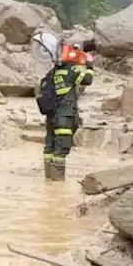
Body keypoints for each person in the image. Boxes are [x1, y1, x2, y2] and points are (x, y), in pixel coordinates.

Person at [36, 34, 95, 181]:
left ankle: (48, 181)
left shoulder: (52, 73)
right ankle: (57, 184)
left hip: (51, 117)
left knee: (50, 147)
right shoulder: (70, 71)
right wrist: (89, 65)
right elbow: (88, 80)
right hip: (65, 115)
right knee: (61, 149)